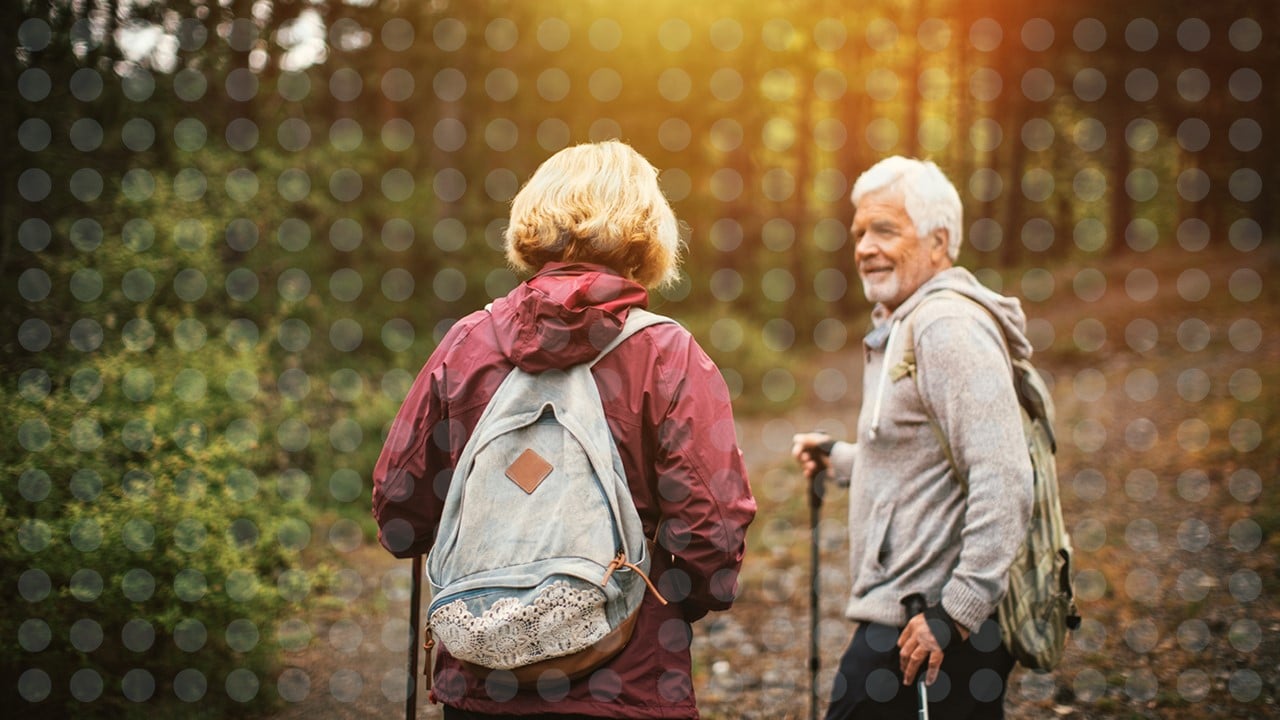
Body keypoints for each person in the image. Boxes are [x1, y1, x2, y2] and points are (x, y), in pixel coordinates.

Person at [372, 140, 757, 719]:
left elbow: (401, 516)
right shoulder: (667, 353)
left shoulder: (466, 345)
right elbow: (712, 530)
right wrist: (667, 606)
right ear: (646, 230)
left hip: (481, 682)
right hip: (624, 685)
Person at [792, 156, 1034, 719]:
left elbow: (1004, 473)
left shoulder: (945, 327)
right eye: (858, 233)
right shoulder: (905, 320)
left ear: (938, 240)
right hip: (911, 615)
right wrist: (842, 460)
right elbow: (922, 455)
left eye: (885, 229)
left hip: (928, 623)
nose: (864, 248)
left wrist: (956, 613)